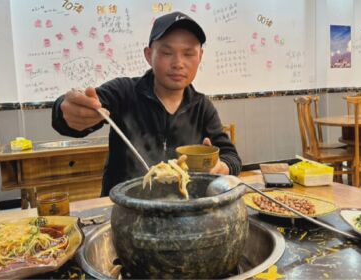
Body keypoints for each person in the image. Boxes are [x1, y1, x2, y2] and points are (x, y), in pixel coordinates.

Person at [52, 11, 242, 196]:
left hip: (183, 209)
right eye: (167, 52)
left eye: (189, 54)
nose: (178, 63)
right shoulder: (124, 92)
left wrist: (220, 167)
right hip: (124, 207)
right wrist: (66, 111)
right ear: (148, 54)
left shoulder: (202, 106)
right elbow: (71, 117)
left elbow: (232, 158)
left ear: (200, 56)